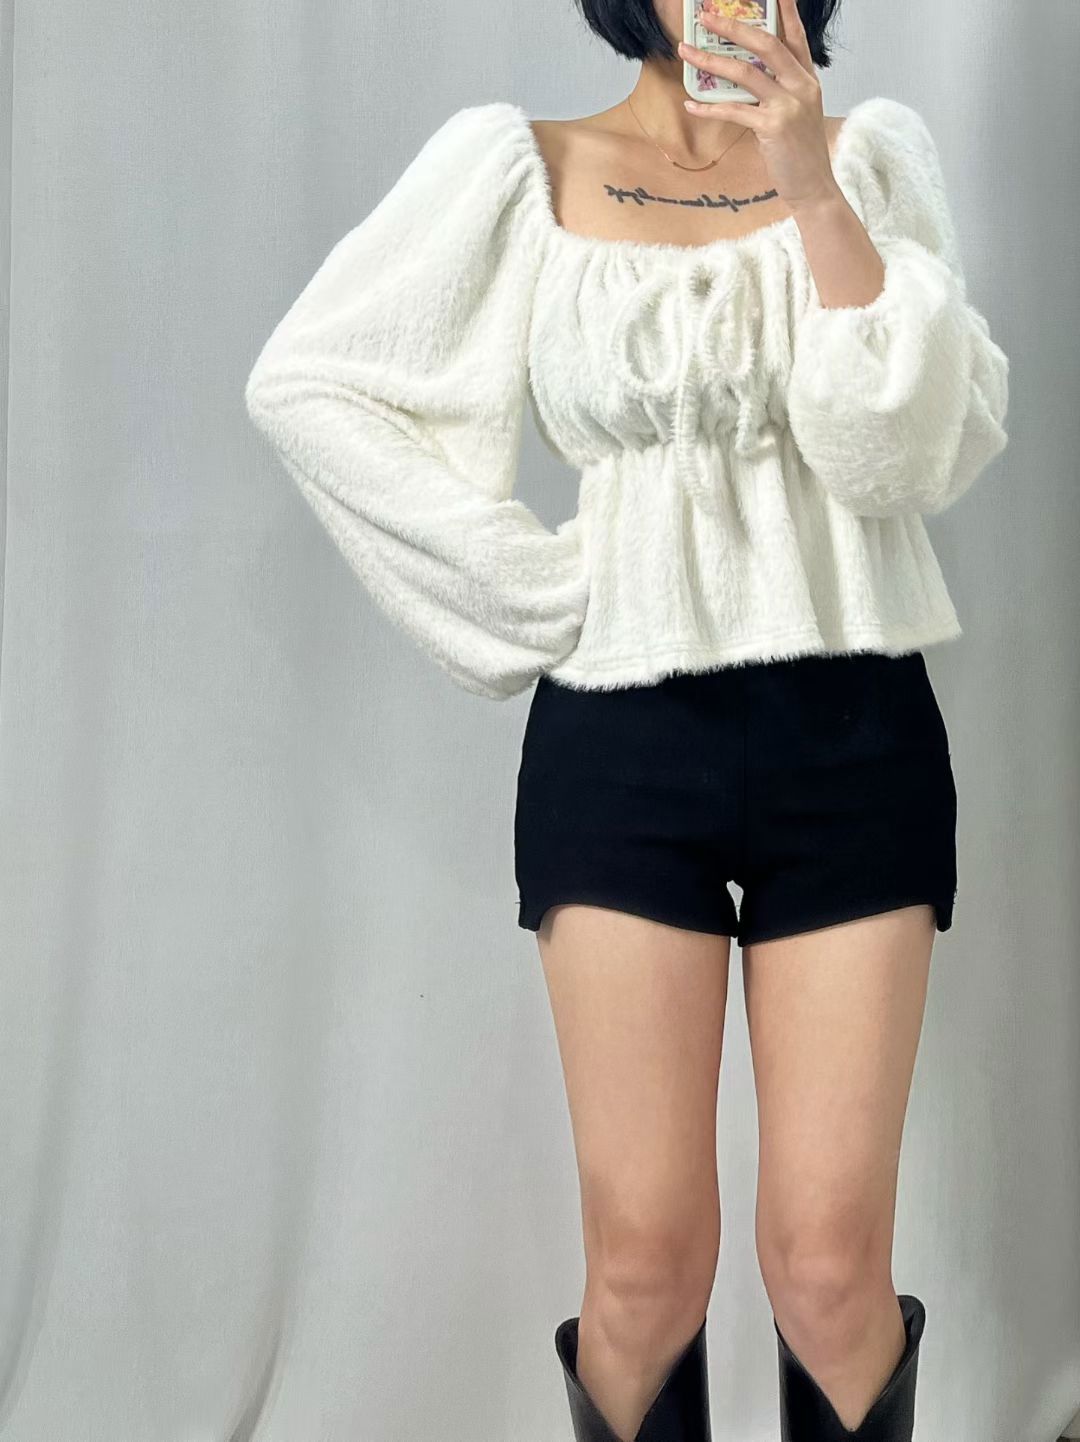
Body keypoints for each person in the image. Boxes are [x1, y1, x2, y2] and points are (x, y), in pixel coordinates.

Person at [243, 0, 1009, 1434]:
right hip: (619, 747)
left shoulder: (870, 159)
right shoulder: (521, 169)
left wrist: (806, 179)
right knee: (645, 1269)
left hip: (854, 733)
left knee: (828, 1268)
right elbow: (309, 383)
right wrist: (525, 586)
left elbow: (900, 458)